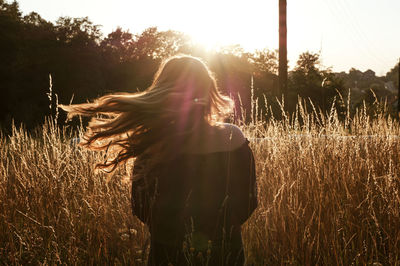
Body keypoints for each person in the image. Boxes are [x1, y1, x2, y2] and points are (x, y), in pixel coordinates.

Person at [60, 55, 257, 265]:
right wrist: (219, 230)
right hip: (225, 252)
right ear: (209, 90)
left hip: (167, 252)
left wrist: (173, 233)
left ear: (162, 88)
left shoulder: (154, 144)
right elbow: (248, 201)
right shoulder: (232, 137)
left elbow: (142, 207)